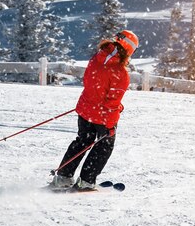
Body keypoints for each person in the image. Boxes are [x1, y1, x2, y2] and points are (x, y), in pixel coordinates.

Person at [50, 30, 139, 191]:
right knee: (105, 145)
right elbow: (111, 104)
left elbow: (89, 83)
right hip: (102, 116)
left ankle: (64, 177)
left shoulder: (96, 58)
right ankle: (86, 181)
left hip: (85, 109)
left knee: (83, 141)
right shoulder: (120, 72)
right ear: (130, 49)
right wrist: (111, 126)